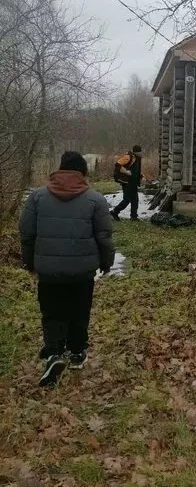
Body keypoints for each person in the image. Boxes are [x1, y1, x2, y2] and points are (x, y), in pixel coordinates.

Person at [19, 151, 115, 387]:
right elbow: (104, 236)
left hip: (49, 271)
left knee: (52, 311)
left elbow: (27, 234)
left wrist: (30, 262)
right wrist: (106, 262)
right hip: (82, 271)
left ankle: (53, 353)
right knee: (80, 310)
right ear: (83, 172)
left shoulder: (37, 198)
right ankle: (77, 353)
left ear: (60, 170)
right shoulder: (95, 200)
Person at [111, 145, 144, 221]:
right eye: (140, 151)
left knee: (135, 200)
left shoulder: (138, 158)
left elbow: (135, 170)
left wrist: (141, 176)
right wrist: (126, 172)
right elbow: (117, 164)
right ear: (136, 152)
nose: (141, 153)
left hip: (133, 182)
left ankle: (134, 217)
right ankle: (114, 212)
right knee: (127, 199)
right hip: (127, 182)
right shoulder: (128, 157)